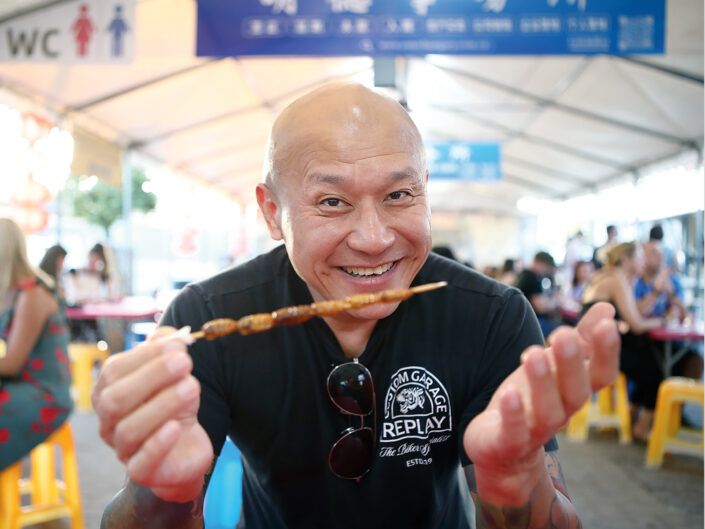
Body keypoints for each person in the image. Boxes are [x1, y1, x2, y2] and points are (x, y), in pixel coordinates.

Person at [92, 83, 619, 529]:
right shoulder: (209, 319)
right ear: (272, 213)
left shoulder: (491, 317)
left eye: (399, 195)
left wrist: (516, 479)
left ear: (425, 191)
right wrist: (162, 494)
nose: (374, 239)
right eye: (332, 202)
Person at [0, 218, 73, 471]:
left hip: (46, 393)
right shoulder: (15, 293)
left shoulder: (33, 295)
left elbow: (12, 364)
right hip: (24, 384)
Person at [581, 242, 667, 440]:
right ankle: (642, 426)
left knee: (652, 356)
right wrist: (663, 321)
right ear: (626, 260)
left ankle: (631, 417)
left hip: (594, 347)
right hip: (601, 352)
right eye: (640, 257)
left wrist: (655, 292)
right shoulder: (617, 279)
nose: (643, 261)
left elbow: (634, 312)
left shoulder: (608, 275)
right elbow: (636, 324)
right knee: (657, 368)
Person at [515, 251, 562, 338]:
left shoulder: (525, 275)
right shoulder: (531, 277)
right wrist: (557, 303)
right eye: (548, 268)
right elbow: (540, 307)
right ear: (541, 264)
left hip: (526, 322)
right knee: (563, 330)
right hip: (531, 323)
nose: (548, 272)